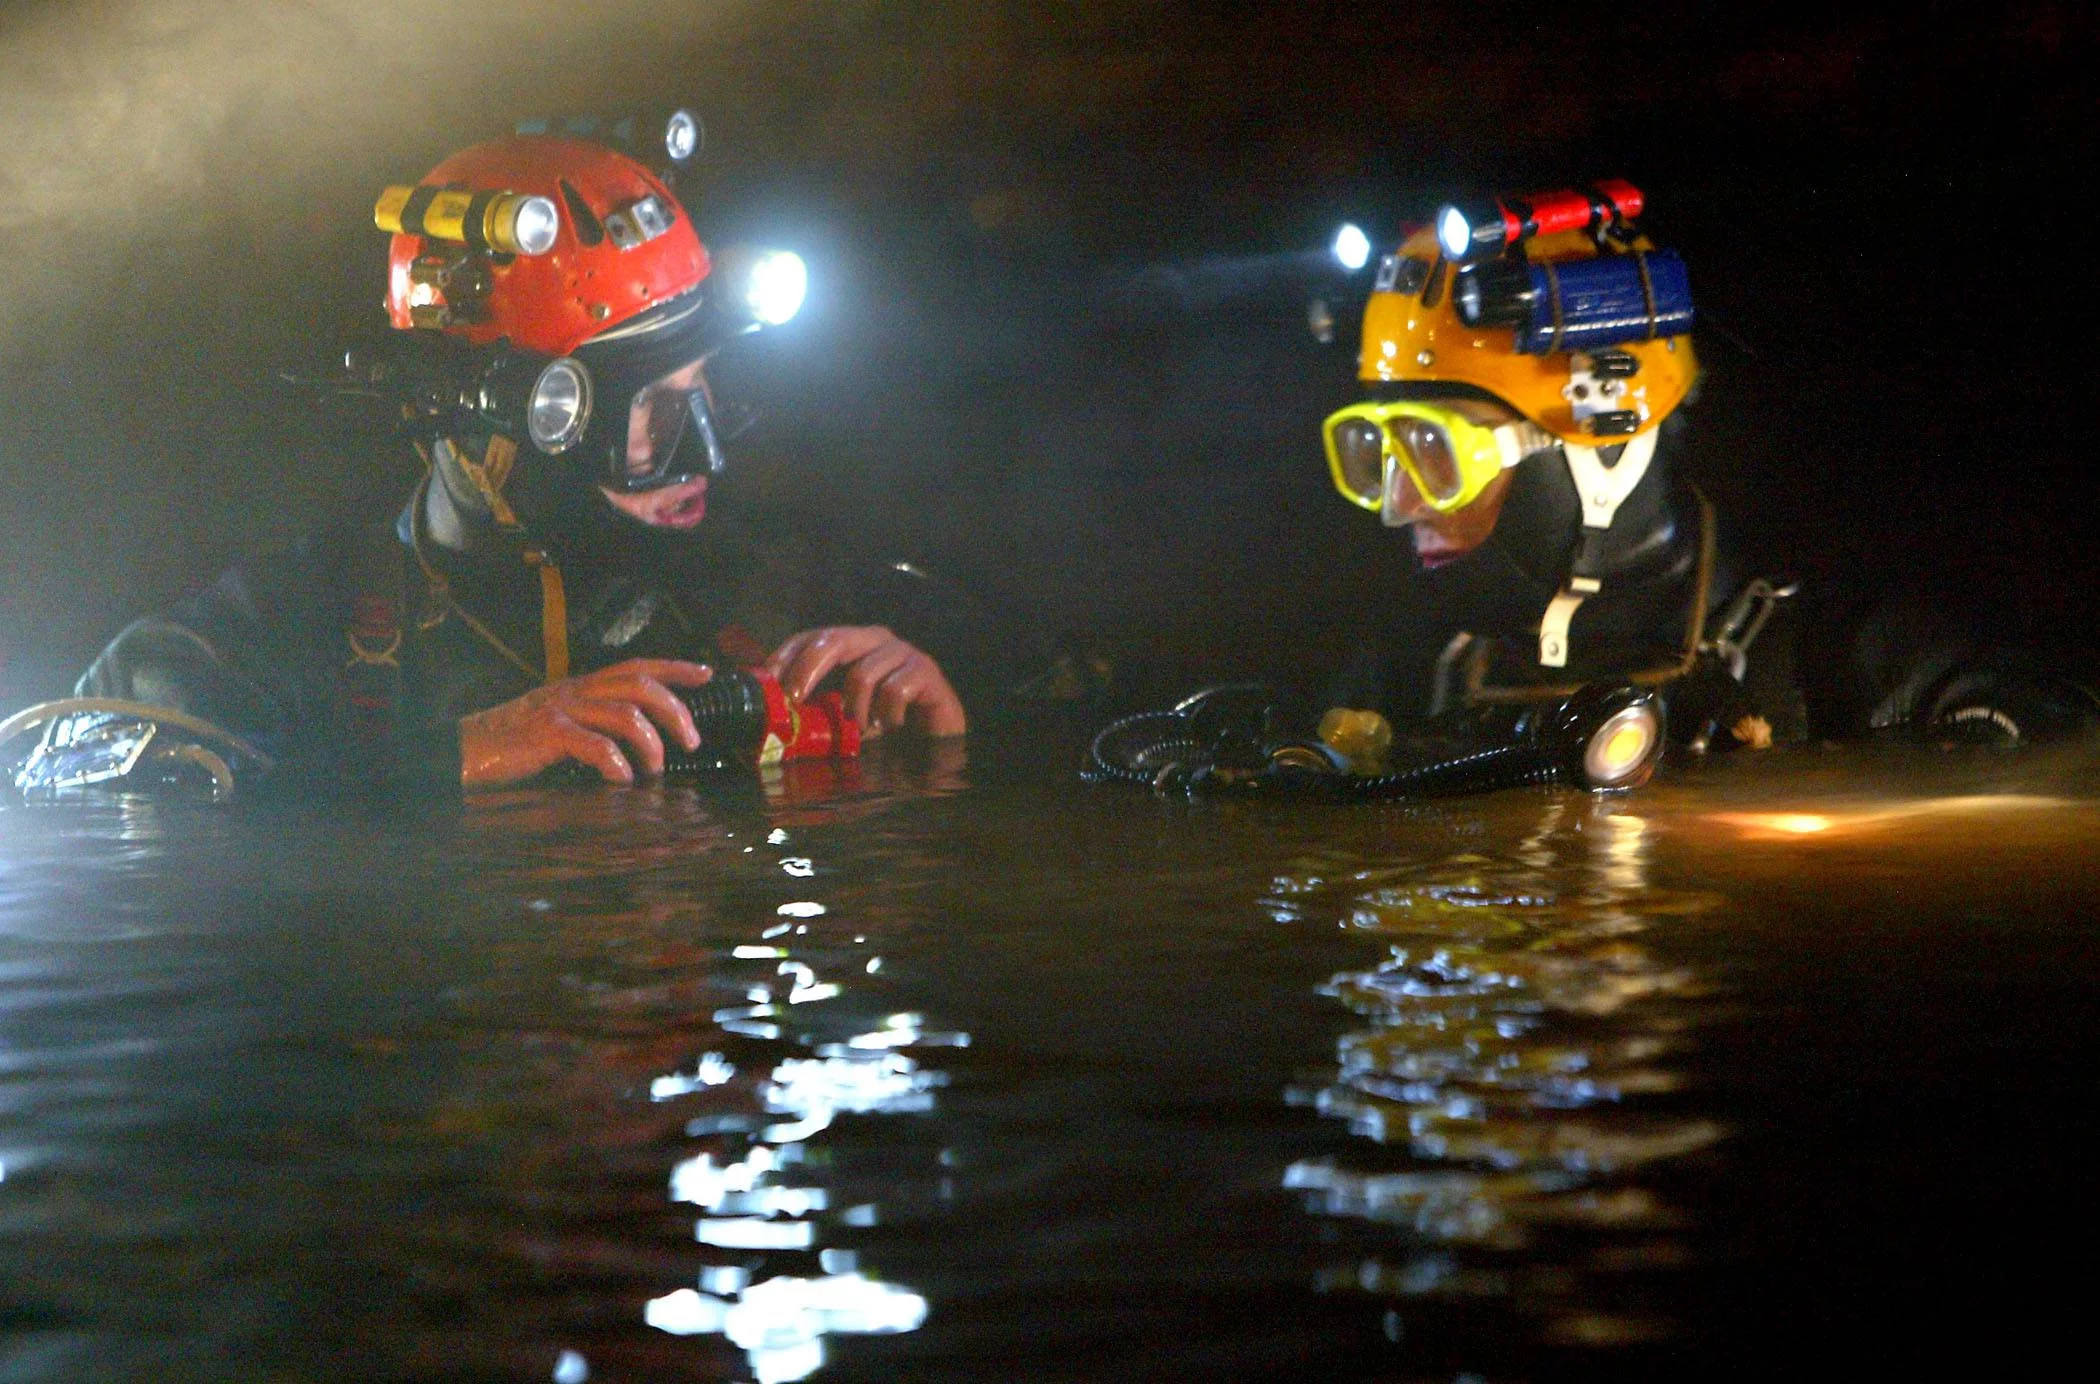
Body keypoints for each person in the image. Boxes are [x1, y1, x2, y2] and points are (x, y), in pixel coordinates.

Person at [65, 126, 966, 794]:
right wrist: (460, 755)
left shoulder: (776, 602)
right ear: (496, 422)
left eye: (705, 390)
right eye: (646, 407)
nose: (704, 452)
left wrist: (947, 739)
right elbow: (63, 771)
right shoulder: (286, 627)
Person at [1313, 184, 2095, 757]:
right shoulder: (1408, 679)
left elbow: (2055, 750)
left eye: (1436, 452)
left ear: (1603, 455)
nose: (1400, 502)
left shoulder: (1839, 662)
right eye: (1374, 453)